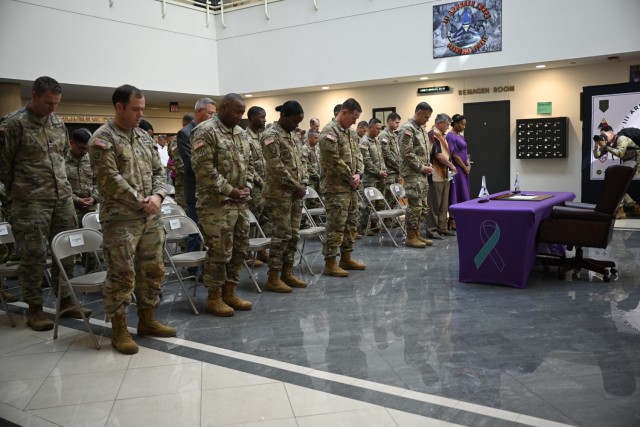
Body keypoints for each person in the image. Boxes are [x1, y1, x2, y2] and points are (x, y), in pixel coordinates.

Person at [89, 84, 176, 354]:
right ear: (119, 107)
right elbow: (110, 179)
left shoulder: (144, 137)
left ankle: (147, 320)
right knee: (122, 274)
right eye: (135, 109)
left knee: (153, 269)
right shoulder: (102, 139)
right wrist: (143, 201)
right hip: (121, 220)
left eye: (142, 109)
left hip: (150, 217)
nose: (140, 114)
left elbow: (159, 172)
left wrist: (159, 197)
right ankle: (120, 329)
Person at [0, 76, 87, 331]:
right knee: (33, 255)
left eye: (57, 103)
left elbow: (60, 159)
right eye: (49, 103)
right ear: (34, 96)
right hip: (30, 202)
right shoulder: (13, 125)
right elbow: (3, 167)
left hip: (61, 198)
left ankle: (66, 300)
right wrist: (19, 193)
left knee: (68, 251)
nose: (53, 108)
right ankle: (35, 309)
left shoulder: (58, 122)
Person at [191, 93, 254, 317]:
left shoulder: (241, 133)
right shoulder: (206, 131)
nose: (241, 116)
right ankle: (214, 297)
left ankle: (230, 292)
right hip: (215, 205)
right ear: (223, 108)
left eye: (243, 112)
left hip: (240, 204)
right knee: (219, 252)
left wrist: (247, 186)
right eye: (238, 111)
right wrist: (230, 190)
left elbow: (250, 164)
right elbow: (204, 168)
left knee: (239, 249)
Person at [260, 101, 308, 292]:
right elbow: (276, 166)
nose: (297, 126)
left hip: (296, 194)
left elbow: (302, 161)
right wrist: (296, 185)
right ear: (284, 116)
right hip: (278, 194)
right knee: (281, 236)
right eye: (295, 121)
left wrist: (303, 183)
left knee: (294, 235)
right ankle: (273, 277)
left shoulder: (294, 136)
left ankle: (287, 273)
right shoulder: (270, 136)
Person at [319, 98, 366, 277]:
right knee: (336, 226)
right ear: (344, 112)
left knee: (351, 224)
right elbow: (333, 160)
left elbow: (359, 156)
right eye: (353, 118)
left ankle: (346, 257)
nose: (355, 122)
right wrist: (350, 176)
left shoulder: (351, 133)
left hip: (352, 187)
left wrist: (359, 175)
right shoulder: (329, 132)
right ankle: (330, 263)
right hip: (336, 188)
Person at [177, 98, 216, 262]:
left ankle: (209, 264)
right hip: (196, 190)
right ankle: (194, 267)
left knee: (211, 230)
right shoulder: (186, 133)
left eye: (214, 114)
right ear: (199, 111)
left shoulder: (212, 132)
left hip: (213, 189)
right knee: (196, 231)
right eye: (210, 113)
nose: (212, 117)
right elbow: (193, 163)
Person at [398, 102, 435, 248]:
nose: (427, 120)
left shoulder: (420, 129)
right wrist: (421, 167)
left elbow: (423, 152)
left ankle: (417, 233)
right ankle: (410, 236)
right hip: (413, 173)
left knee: (422, 206)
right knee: (414, 206)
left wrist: (428, 166)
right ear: (418, 113)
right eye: (426, 117)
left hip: (422, 173)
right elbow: (407, 152)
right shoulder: (408, 129)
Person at [593, 125, 640, 219]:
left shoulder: (621, 138)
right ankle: (634, 207)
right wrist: (596, 145)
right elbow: (597, 155)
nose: (603, 138)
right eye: (602, 136)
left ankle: (621, 210)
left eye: (605, 136)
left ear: (611, 133)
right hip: (629, 162)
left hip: (637, 160)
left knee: (618, 184)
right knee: (617, 184)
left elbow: (620, 153)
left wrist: (606, 147)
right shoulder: (609, 143)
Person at [426, 113, 457, 239]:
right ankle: (432, 230)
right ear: (439, 123)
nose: (448, 127)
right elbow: (438, 155)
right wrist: (451, 165)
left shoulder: (442, 136)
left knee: (444, 203)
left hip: (445, 175)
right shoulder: (433, 135)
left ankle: (442, 228)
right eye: (447, 124)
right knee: (434, 204)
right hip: (435, 174)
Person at [244, 106, 270, 240]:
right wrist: (261, 182)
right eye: (262, 117)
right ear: (252, 117)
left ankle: (260, 250)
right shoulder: (244, 137)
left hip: (265, 184)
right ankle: (250, 252)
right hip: (254, 186)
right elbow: (247, 164)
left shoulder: (262, 137)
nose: (265, 120)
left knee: (265, 218)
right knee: (254, 218)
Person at [358, 118, 387, 236]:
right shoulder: (364, 142)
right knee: (368, 204)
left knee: (379, 202)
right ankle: (363, 227)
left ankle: (375, 225)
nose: (379, 131)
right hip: (370, 179)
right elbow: (366, 161)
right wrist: (378, 172)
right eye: (377, 128)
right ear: (370, 127)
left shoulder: (376, 140)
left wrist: (384, 170)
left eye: (380, 129)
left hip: (380, 177)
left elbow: (381, 158)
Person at [66, 128, 100, 223]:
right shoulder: (62, 160)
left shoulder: (92, 159)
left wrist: (94, 198)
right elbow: (59, 186)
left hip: (91, 210)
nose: (84, 151)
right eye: (81, 148)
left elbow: (99, 182)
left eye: (87, 148)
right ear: (72, 143)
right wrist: (77, 200)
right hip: (69, 209)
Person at [447, 114, 471, 230]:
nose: (464, 127)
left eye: (465, 124)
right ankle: (452, 220)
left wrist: (468, 164)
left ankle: (463, 217)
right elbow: (454, 154)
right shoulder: (450, 136)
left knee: (464, 193)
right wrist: (463, 166)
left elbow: (465, 152)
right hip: (457, 169)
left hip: (464, 169)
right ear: (455, 124)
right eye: (462, 124)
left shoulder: (461, 136)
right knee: (456, 193)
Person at [379, 112, 402, 209]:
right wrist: (399, 166)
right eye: (396, 122)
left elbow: (397, 153)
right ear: (390, 121)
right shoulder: (384, 135)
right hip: (390, 172)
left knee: (395, 198)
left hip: (396, 172)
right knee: (388, 198)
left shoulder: (394, 135)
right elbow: (387, 155)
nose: (398, 125)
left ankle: (393, 222)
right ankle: (386, 222)